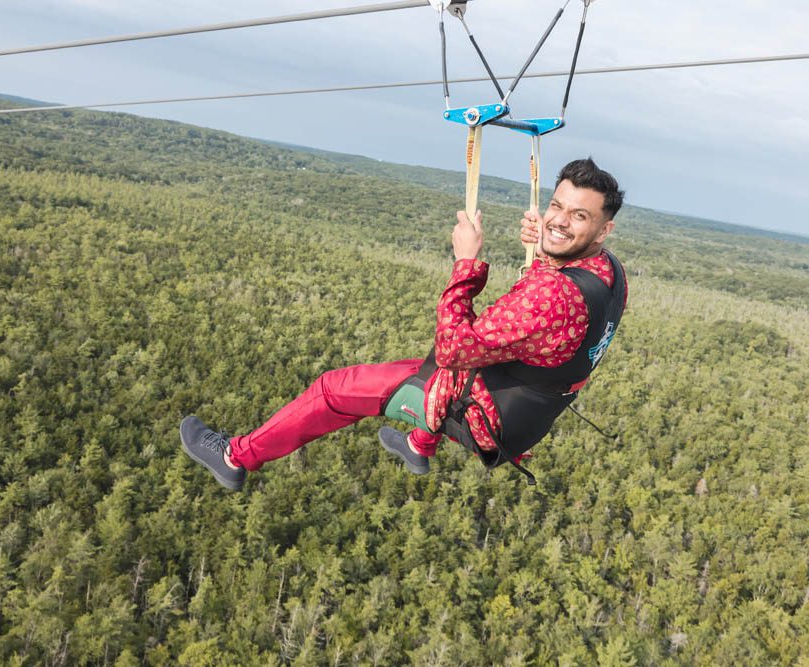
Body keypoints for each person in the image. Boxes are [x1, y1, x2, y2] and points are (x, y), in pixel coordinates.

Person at [180, 157, 627, 490]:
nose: (559, 220)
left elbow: (454, 348)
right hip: (524, 412)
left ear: (602, 230)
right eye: (557, 207)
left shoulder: (555, 296)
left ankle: (236, 458)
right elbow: (545, 324)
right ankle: (418, 446)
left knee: (336, 389)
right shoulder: (610, 274)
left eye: (578, 216)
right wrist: (547, 249)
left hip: (482, 414)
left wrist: (466, 262)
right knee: (428, 365)